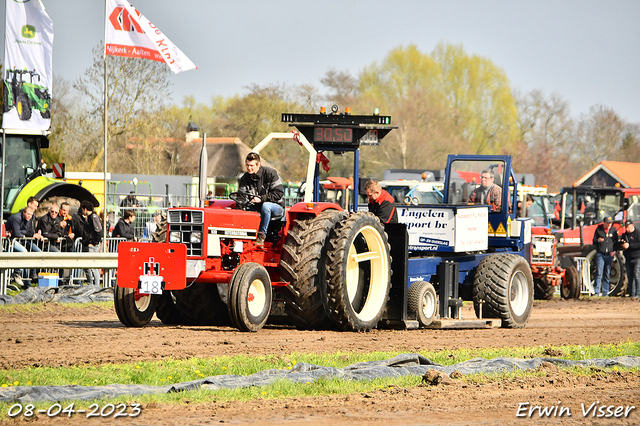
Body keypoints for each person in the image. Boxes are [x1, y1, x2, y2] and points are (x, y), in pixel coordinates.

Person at [238, 152, 284, 245]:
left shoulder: (270, 174)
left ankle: (261, 235)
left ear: (258, 165)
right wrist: (241, 205)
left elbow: (278, 193)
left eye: (251, 165)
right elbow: (241, 197)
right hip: (256, 207)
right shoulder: (244, 179)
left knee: (266, 206)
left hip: (275, 206)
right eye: (247, 165)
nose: (249, 168)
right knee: (239, 209)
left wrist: (261, 199)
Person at [5, 206, 43, 289]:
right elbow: (16, 234)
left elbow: (28, 231)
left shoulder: (29, 219)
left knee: (37, 252)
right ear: (24, 213)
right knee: (24, 252)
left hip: (21, 240)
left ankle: (29, 279)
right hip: (10, 241)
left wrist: (21, 233)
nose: (29, 216)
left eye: (31, 215)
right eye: (28, 214)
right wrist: (21, 233)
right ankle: (17, 272)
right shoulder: (16, 218)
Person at [71, 200, 103, 285]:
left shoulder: (94, 217)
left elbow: (99, 232)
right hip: (86, 244)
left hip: (91, 246)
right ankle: (90, 284)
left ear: (85, 209)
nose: (81, 211)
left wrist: (93, 242)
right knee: (86, 267)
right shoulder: (88, 218)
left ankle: (96, 285)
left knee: (92, 266)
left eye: (82, 209)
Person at [592, 216, 619, 296]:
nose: (609, 225)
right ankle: (596, 292)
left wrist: (614, 251)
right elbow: (593, 241)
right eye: (607, 223)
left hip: (609, 255)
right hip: (600, 254)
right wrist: (598, 240)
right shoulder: (599, 230)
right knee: (599, 273)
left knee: (607, 274)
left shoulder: (613, 230)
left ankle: (605, 292)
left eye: (610, 223)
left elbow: (616, 242)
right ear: (604, 222)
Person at [620, 220, 640, 299]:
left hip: (637, 257)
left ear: (632, 225)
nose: (627, 229)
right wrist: (622, 245)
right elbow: (621, 244)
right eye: (626, 227)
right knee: (630, 276)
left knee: (637, 275)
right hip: (628, 258)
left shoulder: (638, 233)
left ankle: (638, 294)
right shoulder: (624, 235)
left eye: (628, 227)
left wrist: (629, 245)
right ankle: (631, 294)